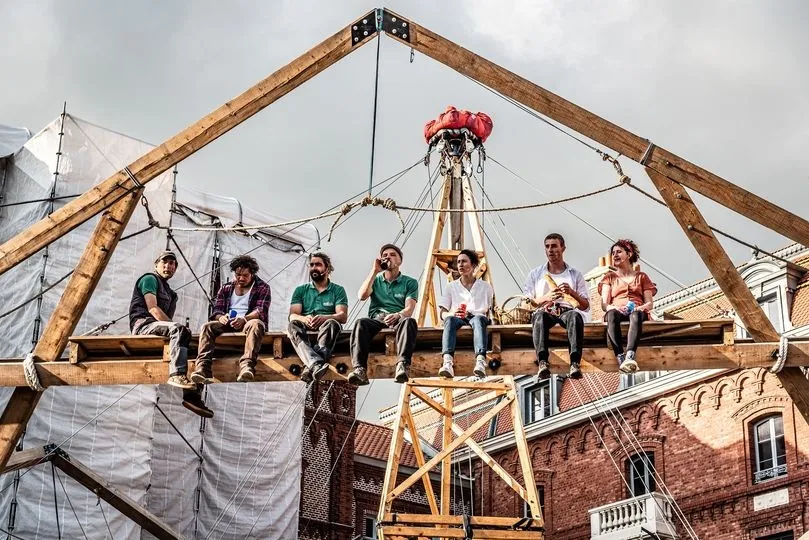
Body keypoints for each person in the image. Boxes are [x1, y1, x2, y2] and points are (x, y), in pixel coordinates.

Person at [129, 251, 213, 418]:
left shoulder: (171, 294)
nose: (168, 266)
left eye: (172, 264)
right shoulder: (149, 279)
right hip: (143, 325)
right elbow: (153, 308)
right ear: (156, 264)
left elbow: (168, 324)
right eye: (164, 262)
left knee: (195, 346)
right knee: (180, 330)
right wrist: (178, 328)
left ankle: (192, 397)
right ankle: (176, 374)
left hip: (159, 329)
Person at [191, 255, 271, 385]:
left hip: (248, 322)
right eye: (238, 274)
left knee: (256, 324)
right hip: (228, 322)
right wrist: (221, 317)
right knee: (207, 327)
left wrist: (244, 319)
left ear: (252, 274)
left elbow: (260, 311)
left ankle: (247, 366)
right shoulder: (226, 288)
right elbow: (216, 311)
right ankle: (202, 368)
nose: (241, 278)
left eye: (245, 275)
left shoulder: (263, 287)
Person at [348, 244, 418, 386]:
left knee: (409, 322)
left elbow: (409, 309)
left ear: (400, 261)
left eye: (392, 255)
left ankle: (403, 365)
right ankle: (360, 369)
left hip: (398, 318)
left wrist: (398, 315)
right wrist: (374, 271)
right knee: (361, 323)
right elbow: (361, 296)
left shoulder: (410, 282)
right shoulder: (377, 280)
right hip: (378, 319)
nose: (388, 257)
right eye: (385, 255)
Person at [523, 233, 591, 381]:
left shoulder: (574, 274)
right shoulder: (535, 274)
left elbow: (585, 306)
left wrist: (571, 292)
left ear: (563, 248)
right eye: (547, 247)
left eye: (554, 246)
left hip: (566, 311)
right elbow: (526, 302)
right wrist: (547, 297)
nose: (550, 250)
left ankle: (574, 363)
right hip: (545, 310)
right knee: (538, 317)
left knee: (575, 316)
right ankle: (542, 362)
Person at [288, 252, 348, 383]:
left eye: (318, 264)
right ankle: (316, 364)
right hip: (306, 326)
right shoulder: (301, 290)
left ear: (327, 269)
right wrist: (305, 319)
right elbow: (293, 315)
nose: (314, 267)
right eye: (312, 265)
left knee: (332, 323)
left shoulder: (338, 290)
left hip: (327, 328)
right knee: (293, 325)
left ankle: (310, 365)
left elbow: (342, 316)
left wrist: (324, 318)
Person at [598, 239, 657, 373]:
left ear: (629, 254)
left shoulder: (642, 277)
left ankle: (630, 354)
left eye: (619, 252)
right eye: (613, 253)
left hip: (636, 310)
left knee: (635, 315)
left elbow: (649, 303)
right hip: (616, 310)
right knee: (611, 315)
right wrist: (614, 308)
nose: (615, 255)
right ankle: (620, 355)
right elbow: (604, 304)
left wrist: (639, 308)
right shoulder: (609, 278)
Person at [438, 249, 493, 379]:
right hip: (458, 318)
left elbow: (490, 310)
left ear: (473, 265)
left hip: (477, 316)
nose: (460, 265)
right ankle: (447, 362)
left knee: (479, 319)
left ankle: (480, 361)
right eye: (458, 262)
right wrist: (452, 313)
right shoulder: (451, 286)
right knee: (450, 320)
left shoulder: (485, 287)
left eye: (464, 261)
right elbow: (442, 313)